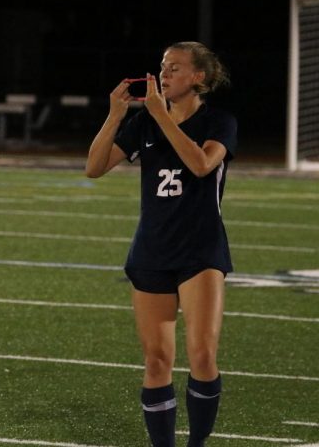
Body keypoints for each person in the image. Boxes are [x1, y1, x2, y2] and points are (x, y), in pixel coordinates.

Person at [84, 42, 236, 447]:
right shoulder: (147, 123)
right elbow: (94, 167)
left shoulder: (219, 121)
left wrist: (161, 117)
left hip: (201, 250)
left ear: (198, 77)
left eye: (174, 68)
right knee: (156, 361)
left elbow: (202, 164)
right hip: (152, 250)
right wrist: (116, 115)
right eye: (163, 67)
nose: (164, 75)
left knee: (202, 355)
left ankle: (197, 444)